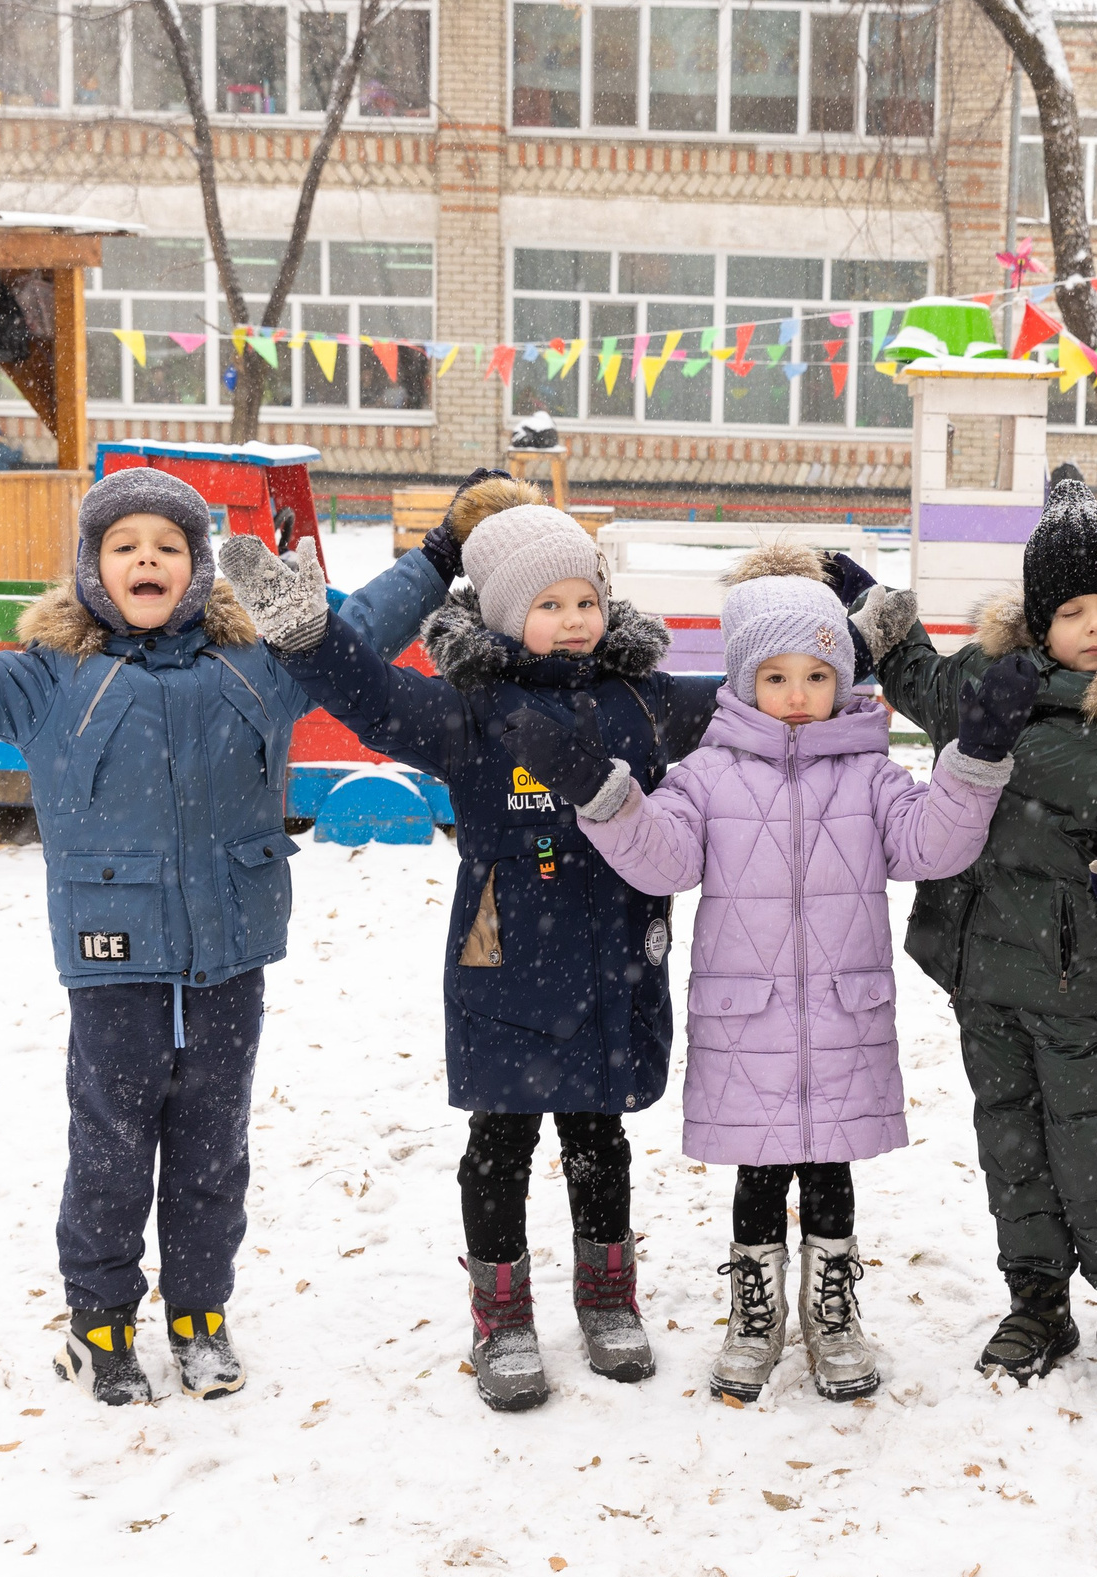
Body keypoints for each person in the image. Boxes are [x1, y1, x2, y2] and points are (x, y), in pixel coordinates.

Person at [0, 465, 456, 1407]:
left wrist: (443, 553)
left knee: (213, 1142)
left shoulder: (262, 664)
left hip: (230, 952)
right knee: (113, 1142)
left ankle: (200, 1314)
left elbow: (358, 627)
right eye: (125, 546)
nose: (147, 558)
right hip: (113, 957)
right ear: (92, 567)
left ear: (197, 567)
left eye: (168, 544)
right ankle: (101, 1322)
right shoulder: (49, 683)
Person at [218, 480, 726, 1412]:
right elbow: (369, 698)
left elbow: (759, 698)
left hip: (612, 953)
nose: (573, 620)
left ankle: (609, 1297)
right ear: (502, 612)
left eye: (586, 600)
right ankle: (503, 1315)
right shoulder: (469, 710)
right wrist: (306, 632)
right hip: (506, 963)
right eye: (549, 604)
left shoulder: (643, 703)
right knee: (499, 1144)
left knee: (598, 1139)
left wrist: (848, 640)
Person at [521, 547, 1028, 1401]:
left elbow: (932, 844)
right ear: (743, 682)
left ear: (842, 681)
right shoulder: (708, 774)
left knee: (831, 1176)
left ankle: (832, 1312)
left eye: (819, 675)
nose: (799, 695)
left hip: (842, 1013)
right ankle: (754, 1311)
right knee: (759, 1180)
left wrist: (974, 759)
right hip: (747, 1019)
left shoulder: (870, 773)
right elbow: (663, 859)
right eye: (778, 675)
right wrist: (600, 793)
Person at [850, 476, 1097, 1395]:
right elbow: (916, 677)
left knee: (1092, 1140)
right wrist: (880, 616)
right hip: (980, 972)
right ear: (1038, 622)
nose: (1096, 625)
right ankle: (1036, 1295)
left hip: (1077, 979)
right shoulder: (986, 683)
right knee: (1010, 1139)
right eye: (1073, 609)